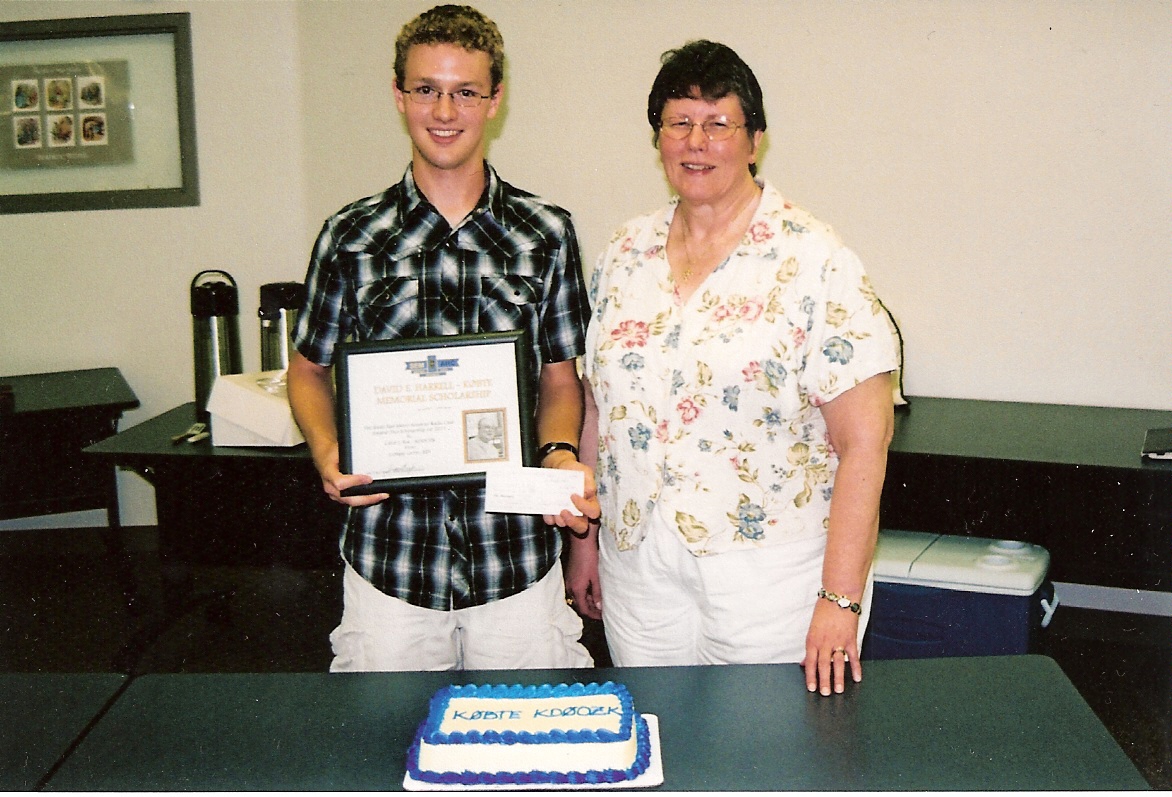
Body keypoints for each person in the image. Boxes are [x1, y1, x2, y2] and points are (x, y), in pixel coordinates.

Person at [565, 40, 901, 696]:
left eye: (719, 124)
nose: (697, 142)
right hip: (640, 568)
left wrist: (840, 598)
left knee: (768, 754)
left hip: (770, 577)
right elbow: (599, 406)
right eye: (678, 122)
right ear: (658, 137)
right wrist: (587, 540)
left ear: (755, 141)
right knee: (659, 741)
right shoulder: (623, 253)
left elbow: (866, 443)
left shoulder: (815, 259)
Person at [288, 4, 598, 672]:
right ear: (400, 97)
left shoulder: (546, 233)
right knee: (384, 756)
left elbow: (560, 380)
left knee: (531, 759)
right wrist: (326, 450)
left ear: (495, 100)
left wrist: (561, 451)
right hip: (390, 564)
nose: (445, 110)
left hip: (513, 559)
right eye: (427, 88)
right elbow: (307, 370)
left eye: (465, 91)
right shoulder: (350, 235)